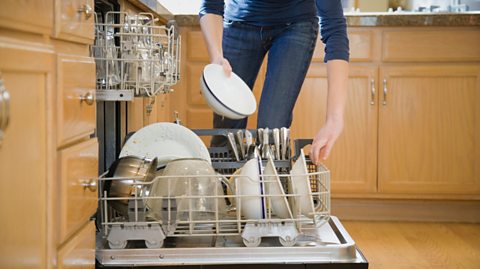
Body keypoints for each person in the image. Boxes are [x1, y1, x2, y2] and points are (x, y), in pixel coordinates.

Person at [199, 0, 349, 165]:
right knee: (227, 130)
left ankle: (267, 185)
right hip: (239, 22)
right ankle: (223, 185)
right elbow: (211, 4)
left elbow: (334, 28)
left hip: (296, 24)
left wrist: (334, 119)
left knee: (272, 133)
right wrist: (216, 57)